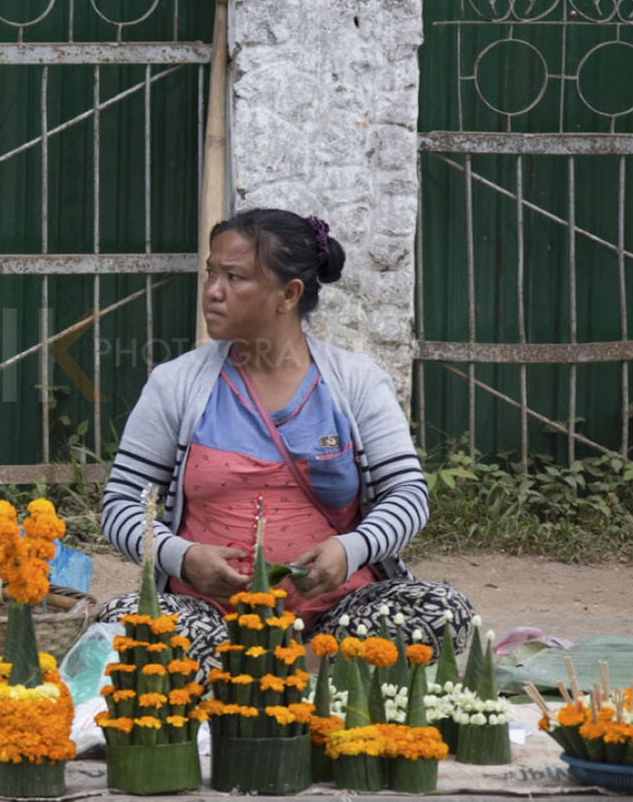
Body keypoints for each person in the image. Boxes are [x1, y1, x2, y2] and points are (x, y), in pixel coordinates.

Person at [99, 208, 472, 673]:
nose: (213, 291)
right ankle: (297, 680)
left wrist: (350, 549)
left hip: (335, 621)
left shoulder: (355, 383)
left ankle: (268, 677)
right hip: (209, 618)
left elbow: (409, 497)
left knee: (441, 611)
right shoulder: (175, 384)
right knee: (122, 626)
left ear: (288, 294)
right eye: (211, 273)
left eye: (234, 278)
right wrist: (184, 557)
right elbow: (120, 505)